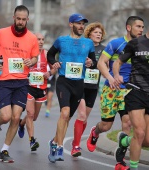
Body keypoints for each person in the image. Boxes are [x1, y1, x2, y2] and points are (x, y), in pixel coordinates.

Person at [86, 16, 144, 169]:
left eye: (143, 27)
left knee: (128, 122)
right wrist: (111, 78)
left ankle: (120, 160)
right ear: (129, 28)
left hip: (130, 90)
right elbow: (101, 63)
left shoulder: (142, 46)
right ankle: (95, 132)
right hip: (111, 89)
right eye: (138, 27)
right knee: (106, 126)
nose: (141, 30)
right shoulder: (116, 44)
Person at [0, 5, 39, 163]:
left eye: (24, 19)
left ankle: (4, 150)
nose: (21, 22)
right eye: (18, 19)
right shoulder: (2, 33)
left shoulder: (32, 38)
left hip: (22, 82)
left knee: (16, 118)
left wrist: (32, 61)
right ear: (14, 18)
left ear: (27, 20)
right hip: (4, 80)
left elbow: (35, 57)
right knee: (6, 116)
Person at [47, 13, 97, 163]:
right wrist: (53, 63)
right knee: (65, 112)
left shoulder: (88, 43)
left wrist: (90, 63)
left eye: (83, 24)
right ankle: (60, 147)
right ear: (71, 24)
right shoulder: (61, 40)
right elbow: (50, 55)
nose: (82, 26)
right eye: (78, 23)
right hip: (64, 81)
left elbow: (93, 61)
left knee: (66, 118)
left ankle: (54, 142)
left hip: (79, 83)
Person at [112, 28, 149, 170]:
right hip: (136, 90)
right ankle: (134, 167)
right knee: (139, 133)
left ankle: (124, 140)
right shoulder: (136, 43)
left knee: (146, 140)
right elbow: (118, 63)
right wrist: (116, 75)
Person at [71, 22, 106, 157]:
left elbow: (106, 66)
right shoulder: (83, 45)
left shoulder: (104, 49)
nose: (98, 34)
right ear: (89, 33)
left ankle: (76, 141)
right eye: (96, 32)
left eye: (100, 33)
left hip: (93, 87)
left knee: (84, 118)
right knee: (81, 115)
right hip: (80, 85)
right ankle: (76, 146)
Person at [17, 33, 56, 151]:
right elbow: (20, 66)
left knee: (34, 117)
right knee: (29, 113)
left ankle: (21, 124)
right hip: (29, 87)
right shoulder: (28, 52)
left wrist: (49, 73)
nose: (41, 41)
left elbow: (54, 67)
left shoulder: (47, 53)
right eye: (38, 39)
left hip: (42, 88)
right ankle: (32, 141)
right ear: (34, 40)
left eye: (42, 39)